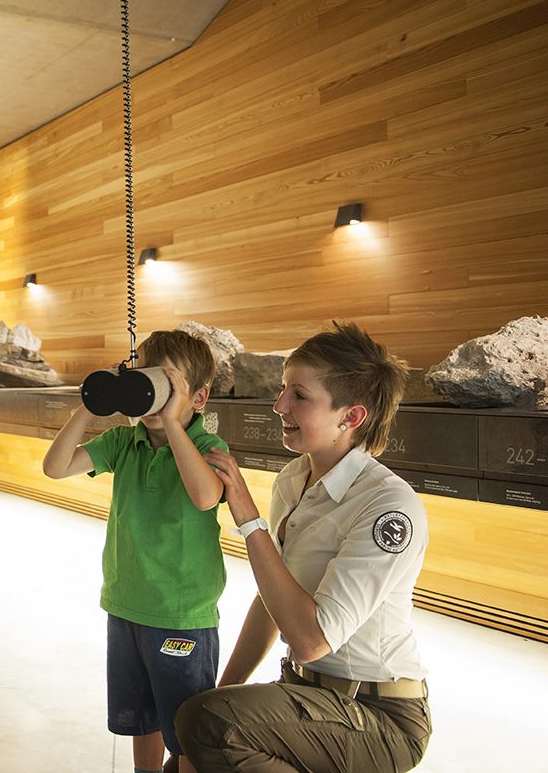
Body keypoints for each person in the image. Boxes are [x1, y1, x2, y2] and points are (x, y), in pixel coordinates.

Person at [175, 322, 432, 772]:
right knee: (190, 747)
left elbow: (312, 640)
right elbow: (273, 600)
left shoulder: (389, 506)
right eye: (282, 390)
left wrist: (247, 517)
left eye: (299, 395)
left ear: (350, 417)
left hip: (377, 718)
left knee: (207, 726)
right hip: (305, 694)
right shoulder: (294, 479)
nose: (279, 406)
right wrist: (221, 692)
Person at [43, 330, 229, 773]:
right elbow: (55, 467)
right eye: (144, 383)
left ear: (198, 397)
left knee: (185, 730)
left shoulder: (208, 448)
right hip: (126, 606)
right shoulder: (125, 444)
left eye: (165, 387)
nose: (152, 399)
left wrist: (171, 421)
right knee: (140, 720)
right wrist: (92, 404)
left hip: (182, 615)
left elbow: (205, 496)